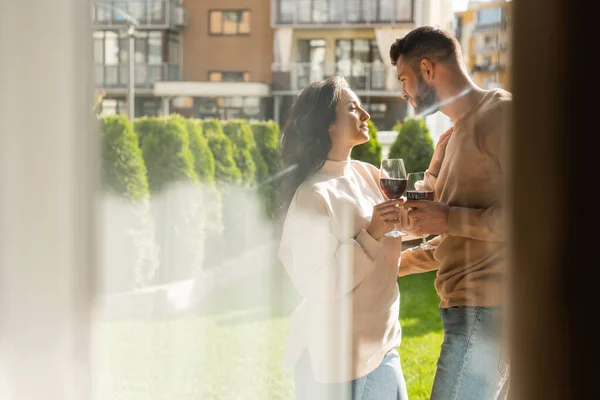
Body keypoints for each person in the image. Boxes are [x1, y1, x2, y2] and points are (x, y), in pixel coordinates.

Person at [389, 26, 512, 399]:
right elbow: (453, 235)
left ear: (427, 69)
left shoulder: (500, 113)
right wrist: (388, 263)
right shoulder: (451, 136)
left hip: (489, 309)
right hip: (464, 307)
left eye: (404, 79)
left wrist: (446, 217)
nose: (404, 93)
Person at [277, 76, 409, 400]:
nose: (365, 115)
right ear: (329, 126)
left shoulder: (368, 174)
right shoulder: (312, 195)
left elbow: (389, 255)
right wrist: (372, 233)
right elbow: (318, 283)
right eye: (352, 108)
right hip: (334, 361)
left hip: (384, 347)